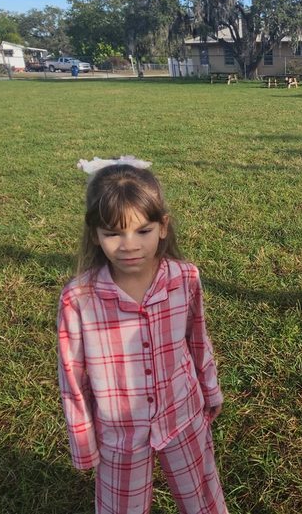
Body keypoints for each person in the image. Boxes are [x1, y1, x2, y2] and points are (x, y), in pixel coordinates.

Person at [57, 163, 227, 514]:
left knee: (204, 501)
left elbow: (198, 340)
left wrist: (210, 390)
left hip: (182, 415)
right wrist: (84, 442)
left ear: (163, 227)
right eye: (113, 234)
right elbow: (72, 377)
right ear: (94, 234)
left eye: (143, 230)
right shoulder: (80, 298)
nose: (129, 246)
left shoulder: (185, 278)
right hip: (119, 434)